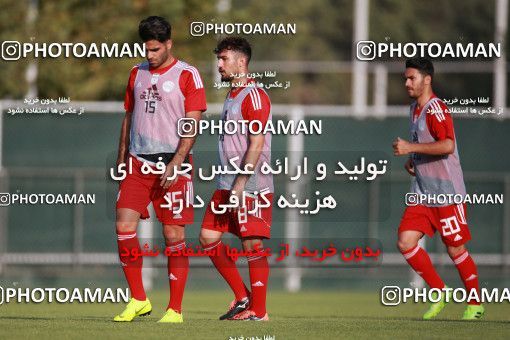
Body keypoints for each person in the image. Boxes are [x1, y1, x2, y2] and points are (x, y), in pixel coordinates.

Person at [114, 16, 206, 323]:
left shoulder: (188, 75)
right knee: (124, 228)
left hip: (173, 165)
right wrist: (122, 157)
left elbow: (192, 124)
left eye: (155, 49)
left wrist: (176, 163)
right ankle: (138, 299)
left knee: (173, 235)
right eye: (146, 49)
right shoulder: (135, 73)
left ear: (168, 44)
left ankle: (174, 309)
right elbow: (129, 115)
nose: (149, 55)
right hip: (138, 164)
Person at [393, 57, 484, 320]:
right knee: (405, 241)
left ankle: (476, 304)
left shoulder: (437, 110)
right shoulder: (414, 109)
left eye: (412, 78)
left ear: (427, 79)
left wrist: (410, 149)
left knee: (455, 249)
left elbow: (447, 146)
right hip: (423, 192)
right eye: (406, 78)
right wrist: (414, 160)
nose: (407, 82)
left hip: (447, 193)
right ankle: (440, 291)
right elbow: (427, 145)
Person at [200, 37, 273, 321]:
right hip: (226, 183)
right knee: (207, 238)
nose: (219, 65)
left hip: (250, 183)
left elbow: (256, 143)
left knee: (251, 245)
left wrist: (241, 184)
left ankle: (261, 312)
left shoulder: (254, 95)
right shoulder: (232, 95)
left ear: (241, 62)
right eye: (218, 59)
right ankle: (243, 297)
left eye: (224, 59)